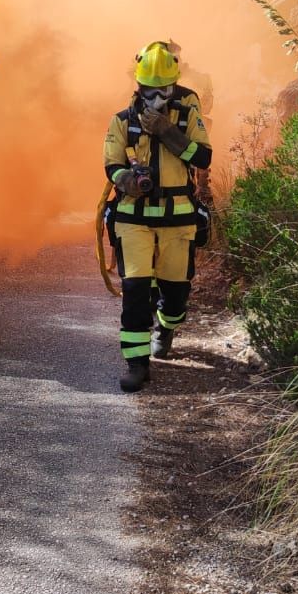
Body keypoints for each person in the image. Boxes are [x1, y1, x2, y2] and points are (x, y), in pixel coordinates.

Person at [102, 40, 212, 392]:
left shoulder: (186, 115)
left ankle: (166, 326)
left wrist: (167, 132)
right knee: (135, 292)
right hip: (132, 219)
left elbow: (203, 158)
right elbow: (111, 165)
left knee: (176, 296)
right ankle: (136, 364)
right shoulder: (122, 122)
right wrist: (127, 182)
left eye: (161, 90)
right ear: (138, 84)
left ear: (173, 85)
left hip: (177, 222)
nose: (153, 97)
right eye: (146, 89)